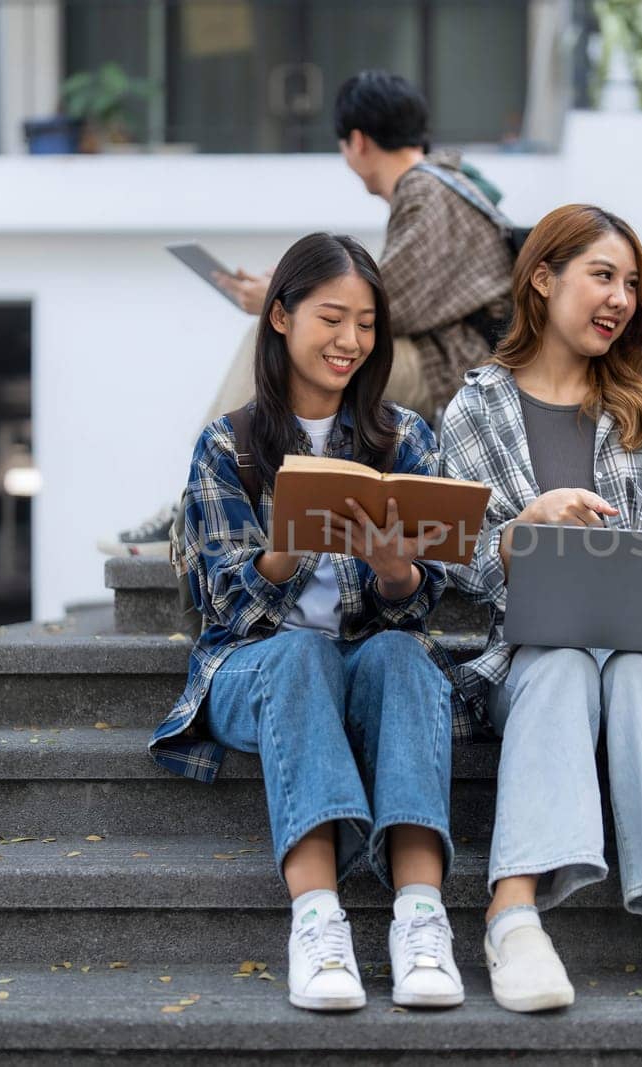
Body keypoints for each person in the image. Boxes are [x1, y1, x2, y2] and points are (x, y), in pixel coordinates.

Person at [149, 232, 468, 1013]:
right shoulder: (228, 444)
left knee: (402, 653)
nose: (351, 341)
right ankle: (319, 926)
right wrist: (284, 552)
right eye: (333, 318)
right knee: (297, 654)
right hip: (254, 670)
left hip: (363, 664)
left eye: (366, 324)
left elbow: (427, 600)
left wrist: (397, 571)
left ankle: (422, 921)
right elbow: (222, 605)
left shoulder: (407, 438)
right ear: (282, 317)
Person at [438, 204, 642, 1015]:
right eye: (603, 276)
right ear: (543, 279)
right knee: (561, 657)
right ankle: (513, 912)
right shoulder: (476, 409)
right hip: (529, 660)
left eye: (632, 284)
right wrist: (519, 533)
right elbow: (451, 563)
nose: (621, 299)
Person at [100, 71, 513, 559]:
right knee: (290, 333)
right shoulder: (448, 185)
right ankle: (215, 497)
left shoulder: (426, 189)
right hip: (442, 357)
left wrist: (287, 304)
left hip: (446, 368)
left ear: (356, 141)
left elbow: (385, 306)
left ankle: (193, 503)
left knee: (277, 335)